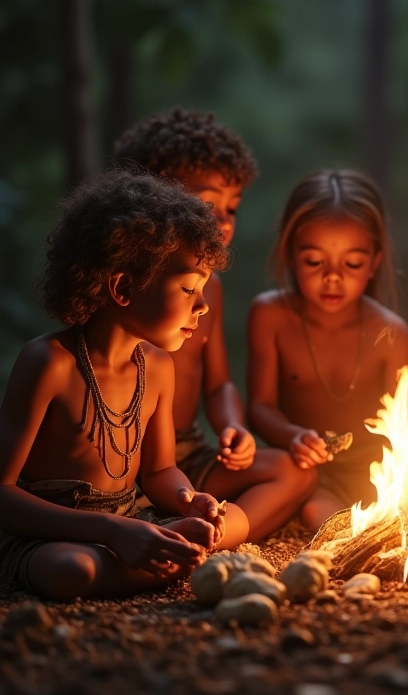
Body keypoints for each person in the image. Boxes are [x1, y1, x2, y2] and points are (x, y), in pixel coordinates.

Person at [0, 170, 247, 601]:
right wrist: (111, 530)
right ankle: (167, 558)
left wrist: (189, 500)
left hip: (129, 518)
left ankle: (160, 552)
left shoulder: (157, 366)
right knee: (70, 569)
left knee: (234, 520)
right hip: (48, 533)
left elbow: (157, 471)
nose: (204, 306)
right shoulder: (48, 363)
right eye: (189, 288)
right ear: (122, 287)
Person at [113, 108, 315, 541]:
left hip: (187, 451)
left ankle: (214, 537)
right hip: (124, 457)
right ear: (154, 197)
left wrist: (231, 426)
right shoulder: (129, 292)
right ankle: (163, 531)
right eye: (208, 204)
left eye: (232, 208)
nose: (222, 221)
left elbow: (218, 384)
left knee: (292, 471)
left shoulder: (211, 291)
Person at [247, 169, 408, 531]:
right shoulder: (270, 316)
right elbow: (260, 407)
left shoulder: (390, 333)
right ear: (291, 255)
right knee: (319, 515)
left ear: (374, 261)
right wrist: (292, 436)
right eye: (314, 261)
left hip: (374, 470)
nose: (333, 277)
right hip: (307, 470)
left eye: (352, 263)